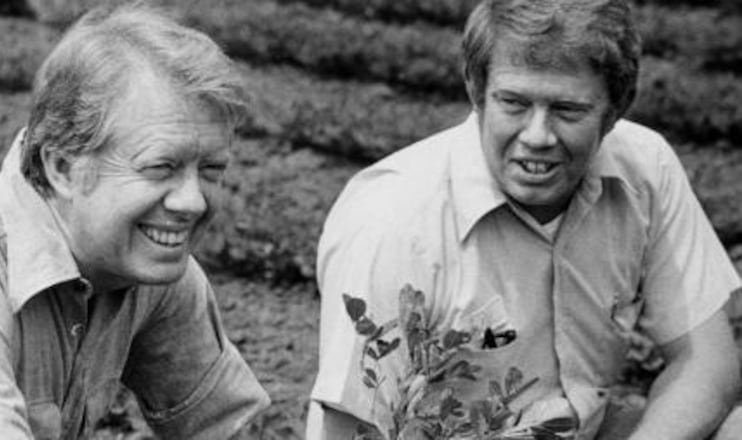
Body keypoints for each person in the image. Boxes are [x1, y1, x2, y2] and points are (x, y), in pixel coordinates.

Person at [307, 0, 741, 439]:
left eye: (568, 110)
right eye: (514, 103)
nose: (537, 136)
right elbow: (348, 429)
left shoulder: (645, 167)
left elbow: (706, 362)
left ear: (615, 111)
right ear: (477, 91)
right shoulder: (391, 218)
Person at [0, 5, 270, 439]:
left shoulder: (146, 265)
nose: (193, 201)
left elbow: (230, 428)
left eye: (211, 170)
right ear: (63, 167)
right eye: (161, 166)